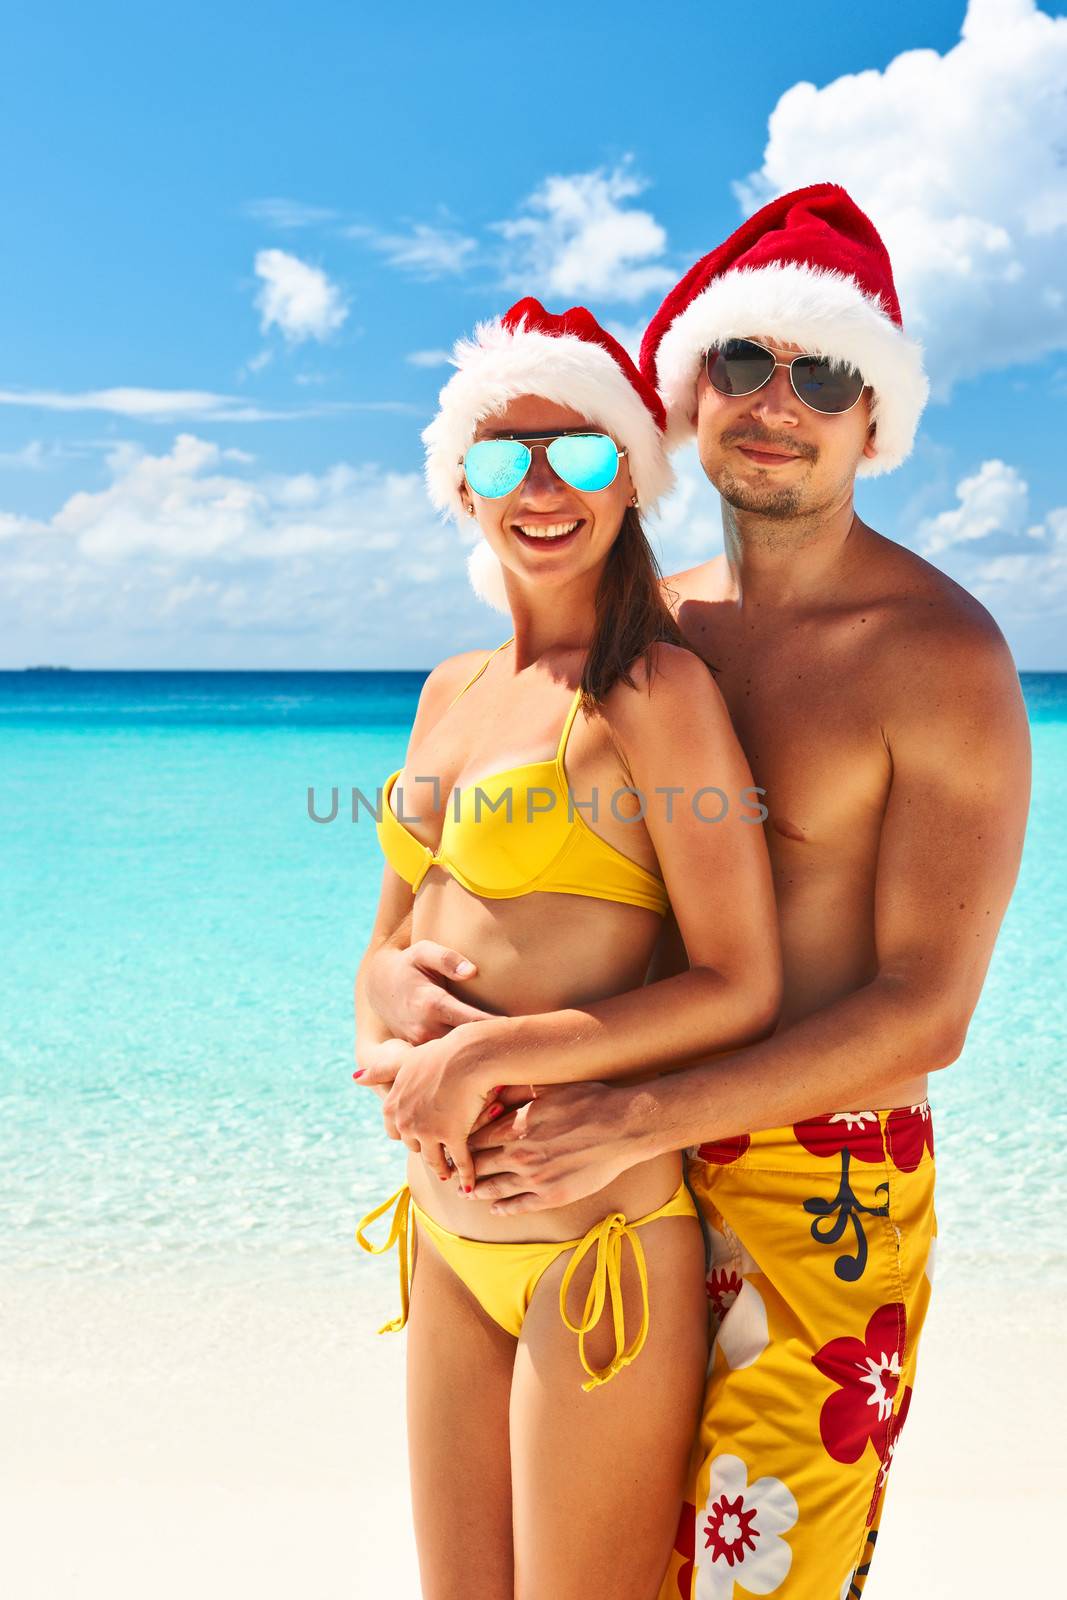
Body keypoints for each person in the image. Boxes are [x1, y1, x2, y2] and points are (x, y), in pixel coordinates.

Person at [357, 186, 1031, 1598]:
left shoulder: (939, 657)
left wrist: (629, 1111)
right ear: (689, 395)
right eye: (742, 361)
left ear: (872, 421)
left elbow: (930, 1010)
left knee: (754, 1582)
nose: (776, 402)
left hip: (810, 1184)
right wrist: (405, 990)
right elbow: (503, 864)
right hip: (607, 1178)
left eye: (824, 374)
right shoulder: (653, 631)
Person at [352, 297, 782, 1600]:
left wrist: (488, 1057)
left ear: (633, 481)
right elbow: (385, 939)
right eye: (500, 459)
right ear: (460, 486)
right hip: (443, 1241)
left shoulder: (653, 694)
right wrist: (382, 1006)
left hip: (593, 1250)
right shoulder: (451, 690)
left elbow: (743, 983)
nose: (540, 488)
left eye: (582, 454)